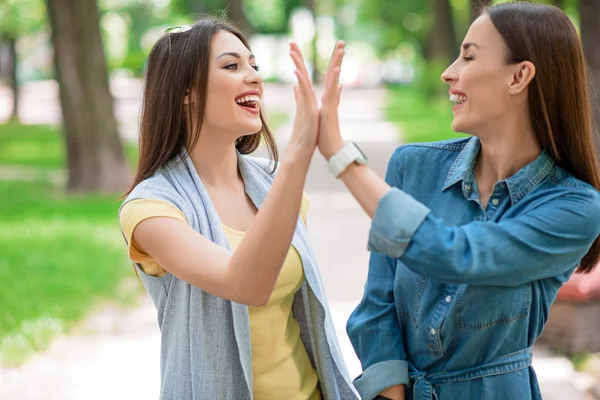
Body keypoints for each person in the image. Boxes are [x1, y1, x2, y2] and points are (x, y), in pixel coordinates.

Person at [314, 3, 600, 400]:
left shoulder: (575, 207)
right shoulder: (413, 166)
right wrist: (392, 392)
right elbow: (377, 304)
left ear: (519, 76)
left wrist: (341, 157)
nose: (450, 72)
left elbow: (458, 255)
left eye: (468, 56)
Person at [118, 18, 357, 400]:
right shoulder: (150, 208)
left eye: (254, 65)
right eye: (232, 66)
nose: (254, 78)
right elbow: (246, 284)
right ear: (185, 91)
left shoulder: (275, 185)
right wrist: (297, 153)